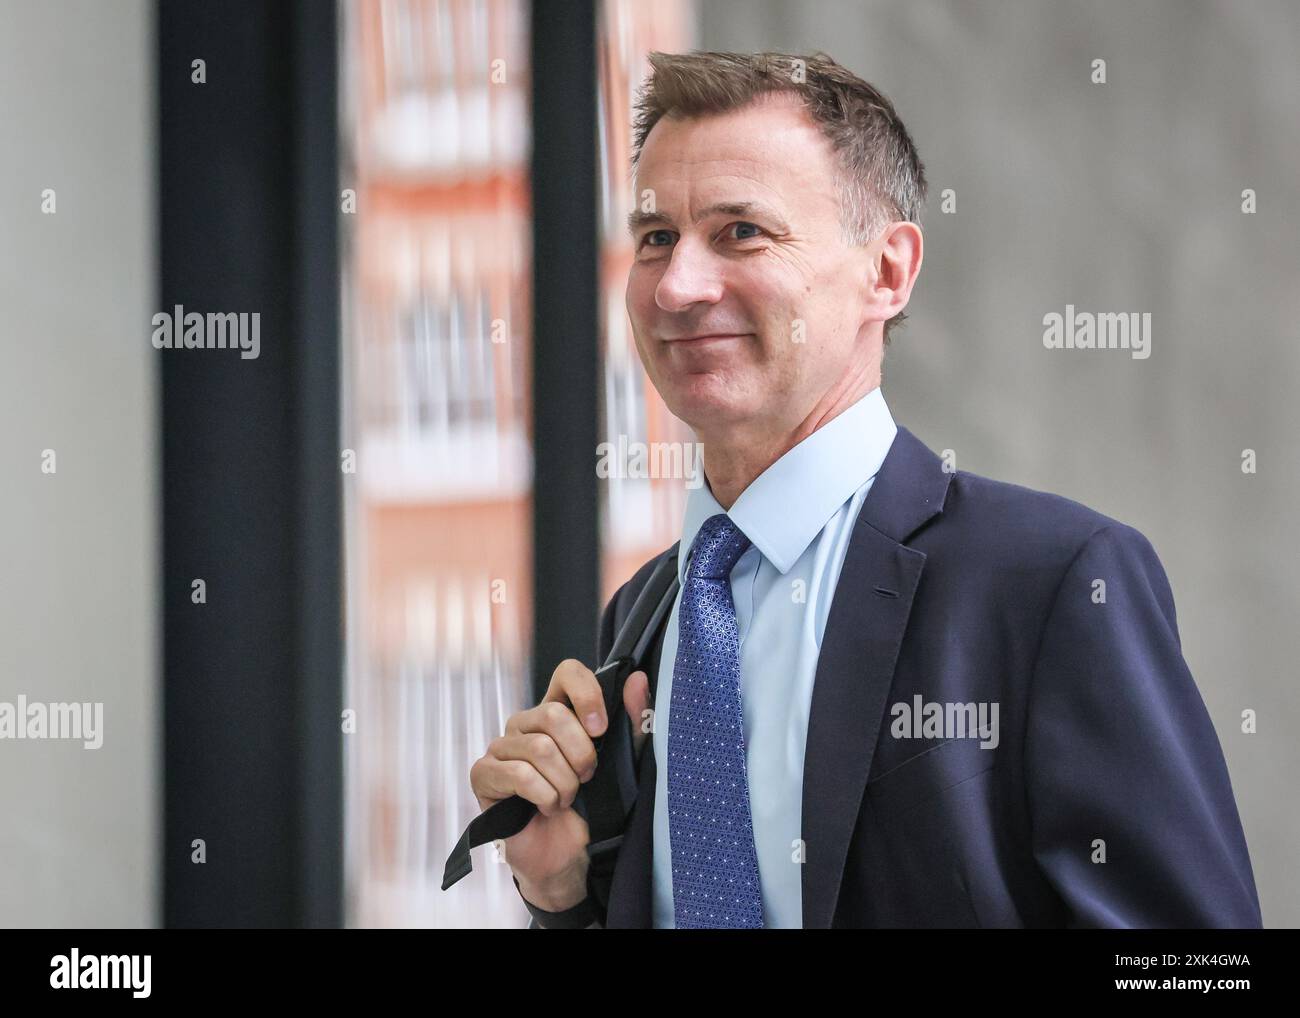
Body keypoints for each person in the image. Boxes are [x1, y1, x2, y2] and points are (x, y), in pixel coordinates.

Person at [468, 50, 1263, 928]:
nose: (680, 286)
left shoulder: (1054, 582)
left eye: (742, 232)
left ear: (886, 273)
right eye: (657, 238)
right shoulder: (646, 613)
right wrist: (561, 897)